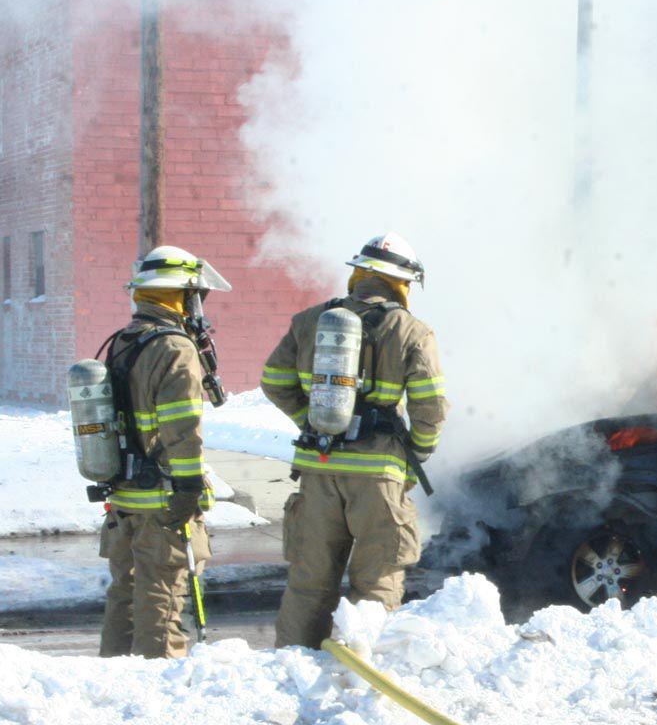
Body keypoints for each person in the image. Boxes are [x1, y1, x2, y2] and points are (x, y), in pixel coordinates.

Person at [262, 233, 448, 649]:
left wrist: (311, 421)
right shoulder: (412, 331)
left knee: (308, 584)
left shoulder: (310, 320)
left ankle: (291, 669)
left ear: (359, 274)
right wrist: (413, 455)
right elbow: (430, 406)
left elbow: (274, 380)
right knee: (377, 581)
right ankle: (364, 677)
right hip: (377, 475)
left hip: (318, 467)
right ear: (401, 282)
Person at [99, 245, 232, 658]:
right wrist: (189, 488)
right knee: (162, 595)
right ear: (181, 294)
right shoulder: (174, 347)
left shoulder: (123, 340)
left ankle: (113, 677)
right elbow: (182, 428)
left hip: (124, 496)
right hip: (162, 498)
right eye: (195, 295)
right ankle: (156, 683)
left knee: (126, 593)